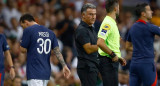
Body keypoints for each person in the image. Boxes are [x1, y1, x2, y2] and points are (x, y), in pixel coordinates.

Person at [19, 14, 71, 86]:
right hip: (46, 72)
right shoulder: (50, 32)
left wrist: (23, 41)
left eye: (22, 26)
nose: (23, 28)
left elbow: (22, 50)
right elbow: (57, 51)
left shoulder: (28, 30)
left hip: (34, 71)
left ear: (26, 22)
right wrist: (64, 65)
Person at [126, 3, 159, 86]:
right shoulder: (150, 27)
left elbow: (127, 47)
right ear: (143, 13)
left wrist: (139, 49)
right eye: (149, 10)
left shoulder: (132, 28)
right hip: (147, 64)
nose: (151, 12)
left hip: (134, 64)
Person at [97, 0, 126, 86]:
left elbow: (109, 43)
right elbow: (100, 42)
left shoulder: (112, 23)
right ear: (115, 8)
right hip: (108, 61)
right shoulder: (107, 23)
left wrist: (119, 57)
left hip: (112, 61)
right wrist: (113, 55)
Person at [75, 3, 99, 86]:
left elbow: (96, 45)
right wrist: (104, 46)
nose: (93, 17)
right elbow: (88, 49)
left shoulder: (91, 28)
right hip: (87, 67)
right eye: (91, 14)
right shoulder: (82, 30)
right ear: (83, 15)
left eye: (95, 14)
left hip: (92, 66)